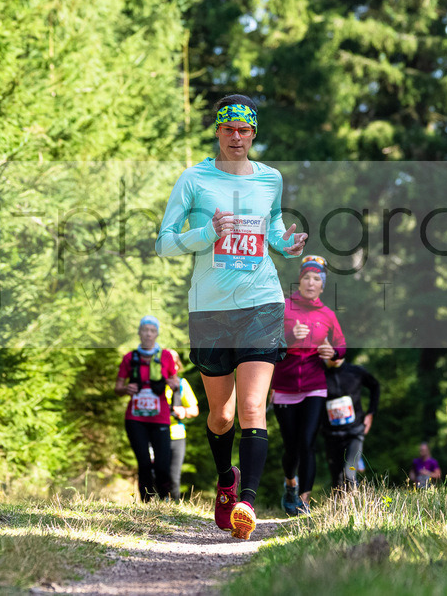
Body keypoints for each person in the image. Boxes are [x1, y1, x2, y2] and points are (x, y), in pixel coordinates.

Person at [155, 94, 307, 540]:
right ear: (217, 132)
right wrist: (206, 233)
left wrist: (285, 243)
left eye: (244, 130)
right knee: (220, 416)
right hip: (211, 310)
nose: (236, 137)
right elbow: (164, 242)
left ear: (253, 133)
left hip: (262, 301)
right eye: (228, 129)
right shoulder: (193, 179)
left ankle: (248, 503)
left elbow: (273, 225)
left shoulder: (270, 179)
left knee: (253, 406)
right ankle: (227, 481)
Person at [272, 255, 346, 515]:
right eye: (307, 277)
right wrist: (291, 336)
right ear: (300, 281)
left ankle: (303, 502)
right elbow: (270, 342)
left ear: (322, 286)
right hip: (284, 386)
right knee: (291, 447)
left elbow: (341, 346)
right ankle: (290, 483)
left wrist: (332, 353)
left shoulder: (327, 314)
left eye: (317, 278)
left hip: (315, 386)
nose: (311, 282)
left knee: (307, 443)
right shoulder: (284, 307)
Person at [114, 316, 182, 502]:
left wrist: (172, 383)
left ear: (157, 333)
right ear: (139, 332)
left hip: (160, 418)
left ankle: (164, 498)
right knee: (143, 462)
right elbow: (117, 387)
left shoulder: (166, 356)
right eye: (145, 330)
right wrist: (125, 389)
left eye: (152, 330)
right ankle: (146, 502)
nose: (148, 334)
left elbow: (175, 381)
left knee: (162, 464)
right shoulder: (129, 358)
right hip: (135, 418)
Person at [321, 357, 380, 492]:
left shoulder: (355, 372)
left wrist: (371, 413)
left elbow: (375, 386)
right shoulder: (318, 374)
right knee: (337, 479)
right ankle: (341, 510)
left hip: (355, 432)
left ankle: (356, 507)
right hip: (331, 435)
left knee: (349, 474)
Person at [167, 371, 199, 500]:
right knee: (154, 473)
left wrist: (183, 411)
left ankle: (173, 506)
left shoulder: (181, 384)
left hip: (177, 434)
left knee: (174, 476)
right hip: (153, 432)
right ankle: (149, 506)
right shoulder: (151, 382)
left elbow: (194, 410)